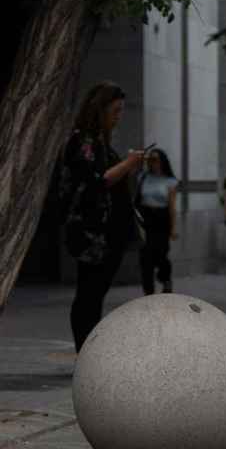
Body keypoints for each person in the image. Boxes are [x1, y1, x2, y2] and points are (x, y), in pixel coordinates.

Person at [61, 82, 145, 352]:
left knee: (95, 293)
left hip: (109, 231)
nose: (119, 117)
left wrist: (128, 169)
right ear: (101, 109)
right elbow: (96, 182)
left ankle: (88, 351)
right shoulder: (84, 141)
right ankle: (84, 351)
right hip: (93, 232)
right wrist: (128, 164)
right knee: (89, 293)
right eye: (116, 111)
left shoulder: (101, 143)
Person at [137, 149, 178, 295]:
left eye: (155, 160)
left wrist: (173, 228)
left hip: (161, 219)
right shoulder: (142, 177)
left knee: (161, 254)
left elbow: (172, 207)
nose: (152, 163)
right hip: (146, 219)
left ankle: (165, 279)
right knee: (146, 256)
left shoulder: (170, 181)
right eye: (150, 160)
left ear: (162, 161)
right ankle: (148, 290)